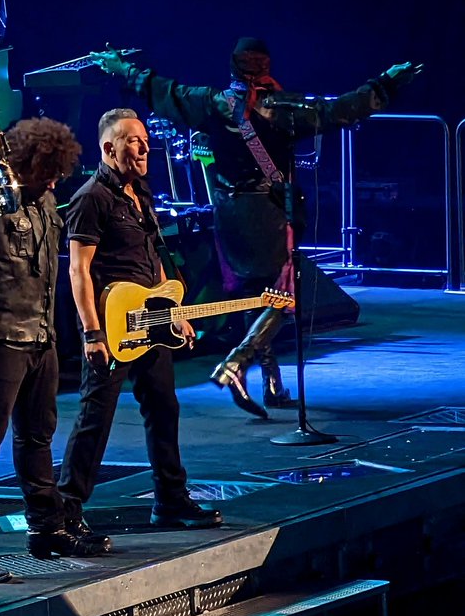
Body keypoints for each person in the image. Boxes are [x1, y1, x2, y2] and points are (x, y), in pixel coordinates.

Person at [90, 42, 421, 419]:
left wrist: (121, 68)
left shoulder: (211, 102)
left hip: (228, 215)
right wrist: (385, 85)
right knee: (282, 295)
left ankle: (272, 383)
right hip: (265, 214)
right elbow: (339, 111)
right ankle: (235, 363)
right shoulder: (283, 110)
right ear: (265, 69)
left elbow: (164, 91)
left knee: (254, 296)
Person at [0, 115, 110, 584]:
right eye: (46, 172)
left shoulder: (46, 200)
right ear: (24, 163)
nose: (53, 180)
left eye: (57, 172)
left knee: (37, 439)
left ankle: (46, 529)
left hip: (40, 336)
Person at [57, 107, 223, 530]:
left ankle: (170, 499)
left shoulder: (140, 192)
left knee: (164, 408)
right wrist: (92, 334)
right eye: (133, 140)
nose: (145, 146)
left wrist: (176, 312)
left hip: (152, 320)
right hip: (112, 325)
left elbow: (154, 261)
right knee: (96, 417)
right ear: (109, 148)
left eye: (145, 139)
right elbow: (78, 270)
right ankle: (66, 510)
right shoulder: (90, 199)